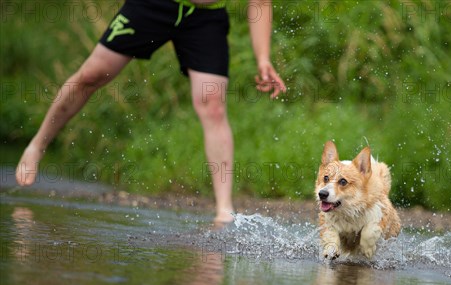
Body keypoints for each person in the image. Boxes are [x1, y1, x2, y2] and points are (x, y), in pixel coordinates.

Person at [14, 0, 286, 224]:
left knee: (213, 105)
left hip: (205, 18)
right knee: (91, 75)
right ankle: (38, 144)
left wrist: (262, 58)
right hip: (153, 5)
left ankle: (224, 209)